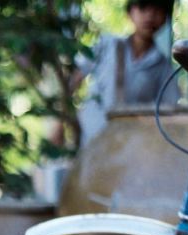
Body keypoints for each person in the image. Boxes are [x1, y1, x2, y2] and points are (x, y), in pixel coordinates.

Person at [74, 0, 178, 146]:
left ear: (165, 19)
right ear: (130, 12)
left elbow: (168, 109)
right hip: (91, 141)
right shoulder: (106, 43)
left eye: (158, 10)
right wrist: (59, 121)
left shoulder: (162, 66)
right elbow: (75, 77)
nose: (150, 15)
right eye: (143, 7)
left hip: (128, 145)